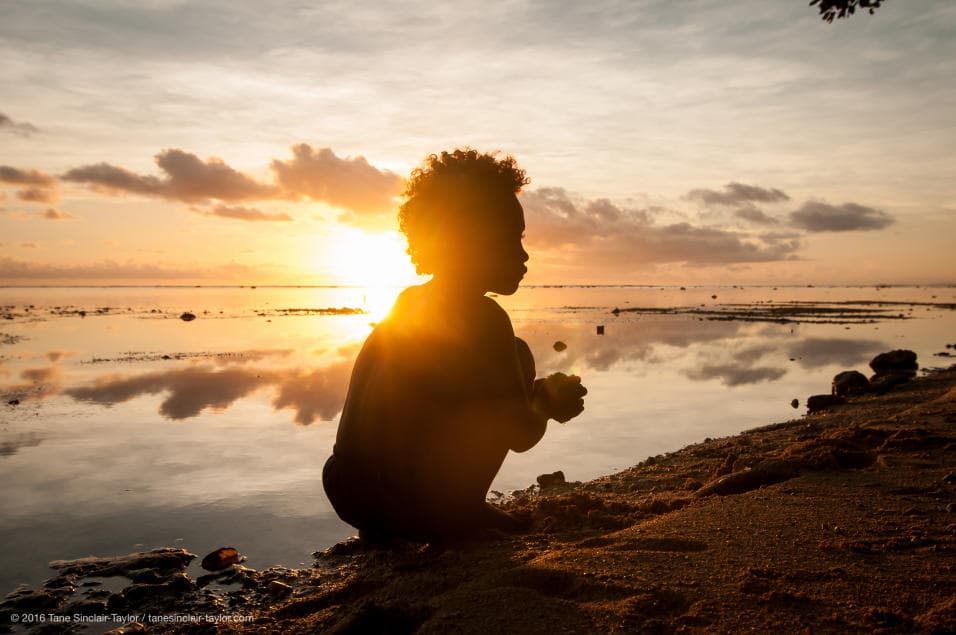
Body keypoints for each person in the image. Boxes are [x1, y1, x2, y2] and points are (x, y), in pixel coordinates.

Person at [322, 148, 587, 542]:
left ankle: (389, 529)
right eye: (511, 239)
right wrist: (548, 403)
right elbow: (519, 435)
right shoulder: (485, 319)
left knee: (509, 367)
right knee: (519, 354)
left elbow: (425, 403)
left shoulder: (409, 301)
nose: (524, 254)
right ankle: (459, 510)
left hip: (348, 489)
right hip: (413, 501)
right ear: (467, 242)